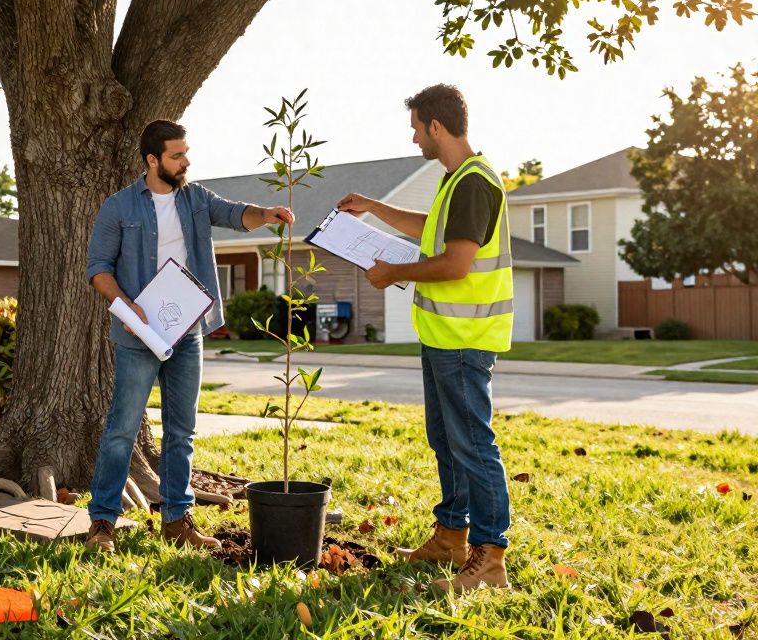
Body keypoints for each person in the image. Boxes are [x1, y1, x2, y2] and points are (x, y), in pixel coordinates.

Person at [82, 119, 294, 554]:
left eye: (186, 153)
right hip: (138, 335)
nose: (186, 161)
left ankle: (177, 519)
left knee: (182, 431)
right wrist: (129, 305)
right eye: (177, 155)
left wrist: (267, 213)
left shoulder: (197, 200)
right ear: (152, 160)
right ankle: (102, 521)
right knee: (122, 429)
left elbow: (237, 215)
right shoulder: (119, 207)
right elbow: (97, 270)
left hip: (187, 333)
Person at [337, 84, 513, 592]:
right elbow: (431, 228)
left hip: (464, 336)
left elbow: (457, 264)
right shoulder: (454, 181)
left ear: (436, 126)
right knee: (448, 441)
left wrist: (394, 272)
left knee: (473, 445)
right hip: (443, 335)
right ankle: (451, 537)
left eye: (416, 128)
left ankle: (489, 558)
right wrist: (374, 207)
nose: (413, 138)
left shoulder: (474, 183)